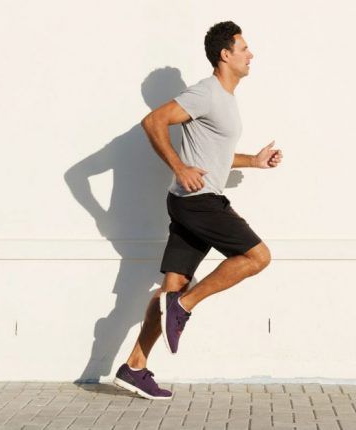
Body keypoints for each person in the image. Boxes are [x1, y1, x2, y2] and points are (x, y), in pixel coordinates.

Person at [113, 21, 283, 400]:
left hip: (188, 202)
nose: (251, 55)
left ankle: (134, 367)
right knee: (257, 257)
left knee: (171, 286)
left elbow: (214, 156)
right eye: (244, 48)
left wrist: (254, 161)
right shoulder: (206, 93)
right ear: (225, 54)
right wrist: (179, 167)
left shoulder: (225, 99)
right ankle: (184, 306)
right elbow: (153, 121)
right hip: (199, 201)